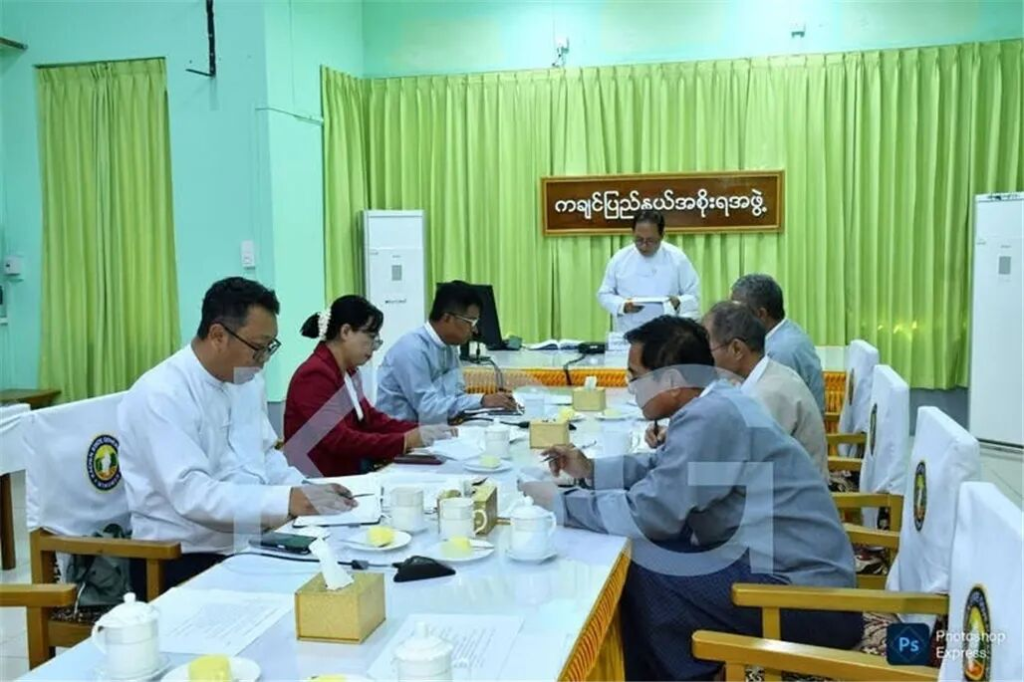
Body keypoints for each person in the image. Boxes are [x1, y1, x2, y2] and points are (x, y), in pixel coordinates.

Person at [522, 316, 860, 681]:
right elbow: (665, 469)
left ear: (670, 382)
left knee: (641, 570)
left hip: (808, 603)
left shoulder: (711, 416)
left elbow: (650, 513)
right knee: (648, 553)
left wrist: (559, 503)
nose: (630, 388)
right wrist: (589, 470)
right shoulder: (717, 401)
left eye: (635, 377)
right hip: (794, 578)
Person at [118, 277, 356, 588]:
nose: (263, 361)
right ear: (218, 335)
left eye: (270, 348)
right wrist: (285, 500)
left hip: (251, 540)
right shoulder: (162, 393)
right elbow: (192, 494)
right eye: (258, 348)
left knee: (344, 573)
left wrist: (306, 490)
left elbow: (265, 455)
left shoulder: (245, 380)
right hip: (183, 557)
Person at [285, 295, 452, 477]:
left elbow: (370, 419)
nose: (373, 347)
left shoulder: (348, 371)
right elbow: (337, 439)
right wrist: (405, 440)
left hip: (349, 471)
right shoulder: (315, 375)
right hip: (319, 478)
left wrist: (420, 430)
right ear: (346, 332)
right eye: (371, 337)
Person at [703, 301, 828, 477]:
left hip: (788, 490)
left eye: (707, 349)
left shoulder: (769, 394)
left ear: (737, 349)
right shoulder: (759, 375)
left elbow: (747, 472)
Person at [376, 281, 517, 423]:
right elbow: (429, 409)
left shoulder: (449, 347)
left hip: (432, 429)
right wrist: (482, 401)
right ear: (447, 318)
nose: (475, 330)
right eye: (471, 322)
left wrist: (488, 401)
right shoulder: (412, 350)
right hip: (401, 433)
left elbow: (456, 396)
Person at [731, 273, 825, 414]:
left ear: (761, 314)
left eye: (738, 312)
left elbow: (772, 410)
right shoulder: (784, 331)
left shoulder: (781, 351)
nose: (733, 318)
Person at [597, 209, 701, 333]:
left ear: (662, 235)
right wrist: (622, 305)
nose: (644, 245)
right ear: (633, 233)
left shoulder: (677, 258)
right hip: (629, 332)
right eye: (639, 240)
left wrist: (677, 302)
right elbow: (604, 294)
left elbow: (694, 296)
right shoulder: (620, 258)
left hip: (668, 334)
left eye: (650, 241)